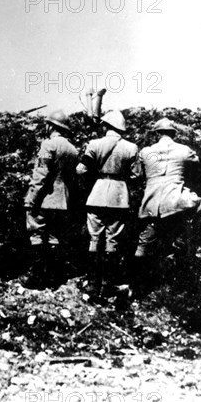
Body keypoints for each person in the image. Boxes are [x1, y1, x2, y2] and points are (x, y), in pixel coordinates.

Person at [134, 118, 201, 258]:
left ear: (157, 134)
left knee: (147, 238)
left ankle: (136, 270)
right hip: (177, 200)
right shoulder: (184, 150)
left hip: (151, 204)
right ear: (174, 134)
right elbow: (197, 166)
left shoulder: (145, 152)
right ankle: (190, 239)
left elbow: (138, 174)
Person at [76, 110, 140, 292]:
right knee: (113, 240)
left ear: (107, 126)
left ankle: (92, 283)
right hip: (119, 197)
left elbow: (81, 170)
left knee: (94, 238)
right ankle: (107, 283)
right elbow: (136, 175)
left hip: (97, 193)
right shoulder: (131, 147)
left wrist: (95, 180)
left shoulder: (95, 144)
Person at [24, 110, 79, 280]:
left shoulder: (49, 144)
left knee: (36, 233)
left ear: (50, 126)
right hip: (63, 200)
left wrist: (31, 198)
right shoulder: (73, 149)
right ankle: (54, 275)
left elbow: (41, 174)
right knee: (55, 236)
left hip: (44, 198)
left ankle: (36, 277)